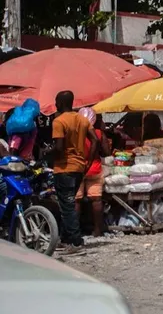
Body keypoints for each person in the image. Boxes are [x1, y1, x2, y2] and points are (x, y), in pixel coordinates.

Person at [52, 91, 98, 249]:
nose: (55, 104)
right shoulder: (82, 120)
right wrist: (88, 161)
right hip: (79, 167)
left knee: (67, 205)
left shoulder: (59, 121)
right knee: (68, 203)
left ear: (61, 102)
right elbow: (95, 140)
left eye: (56, 101)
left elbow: (58, 147)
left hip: (64, 167)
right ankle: (65, 239)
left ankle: (76, 241)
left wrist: (47, 154)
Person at [75, 109, 111, 238]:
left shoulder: (74, 133)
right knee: (96, 199)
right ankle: (97, 230)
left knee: (76, 201)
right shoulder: (99, 134)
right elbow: (107, 152)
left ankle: (76, 231)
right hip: (94, 169)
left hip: (77, 168)